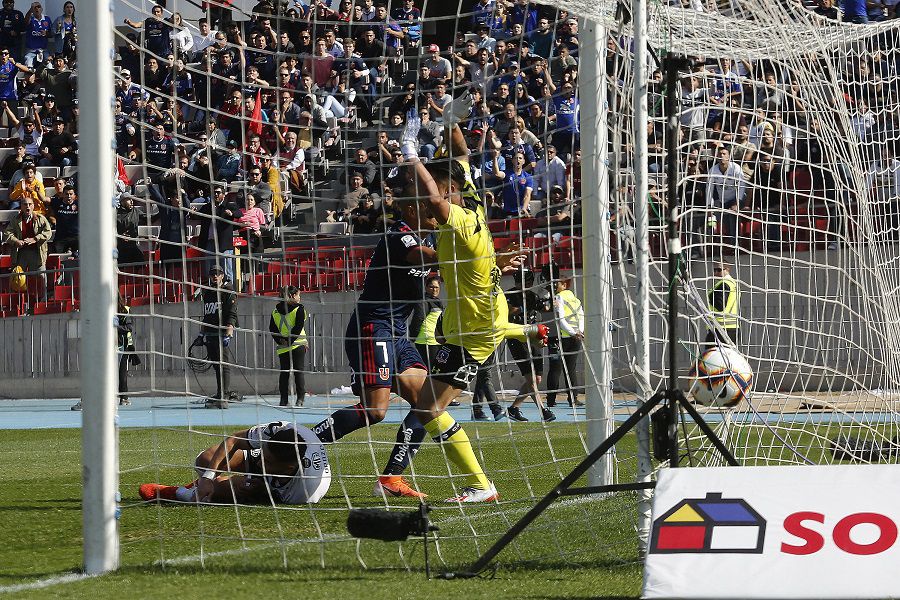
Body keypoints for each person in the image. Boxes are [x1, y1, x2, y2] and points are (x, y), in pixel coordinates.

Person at [399, 100, 548, 502]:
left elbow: (432, 202)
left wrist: (411, 153)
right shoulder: (471, 204)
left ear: (449, 192)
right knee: (426, 406)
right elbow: (462, 154)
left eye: (426, 191)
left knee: (429, 409)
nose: (419, 205)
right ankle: (475, 483)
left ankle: (482, 485)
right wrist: (448, 122)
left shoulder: (461, 219)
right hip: (473, 320)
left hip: (475, 328)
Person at [311, 185, 436, 500]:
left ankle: (391, 478)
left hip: (397, 333)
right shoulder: (400, 235)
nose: (437, 213)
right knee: (376, 410)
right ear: (413, 209)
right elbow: (420, 257)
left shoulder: (431, 239)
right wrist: (466, 252)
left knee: (429, 403)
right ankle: (304, 443)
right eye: (431, 207)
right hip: (373, 328)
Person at [138, 421, 331, 505]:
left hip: (275, 488)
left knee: (242, 489)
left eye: (268, 460)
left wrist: (260, 491)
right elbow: (234, 439)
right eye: (264, 453)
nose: (262, 460)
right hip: (281, 464)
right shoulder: (278, 430)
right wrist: (207, 477)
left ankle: (178, 492)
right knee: (204, 461)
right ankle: (202, 485)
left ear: (289, 467)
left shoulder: (303, 493)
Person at [504, 268, 555, 422]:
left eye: (528, 280)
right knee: (531, 378)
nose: (526, 283)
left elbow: (547, 309)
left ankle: (513, 408)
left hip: (533, 336)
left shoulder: (533, 295)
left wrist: (550, 296)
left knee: (537, 379)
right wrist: (523, 307)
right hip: (517, 338)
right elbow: (509, 313)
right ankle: (543, 410)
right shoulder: (509, 295)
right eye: (523, 280)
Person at [201, 265, 239, 408]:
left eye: (217, 274)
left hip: (221, 332)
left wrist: (229, 331)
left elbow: (232, 313)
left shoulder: (228, 292)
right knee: (217, 365)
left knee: (224, 365)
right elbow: (207, 313)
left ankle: (224, 395)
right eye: (212, 274)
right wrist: (202, 332)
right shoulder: (208, 292)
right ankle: (220, 392)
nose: (215, 276)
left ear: (222, 275)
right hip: (210, 332)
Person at [545, 273, 584, 408]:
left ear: (564, 284)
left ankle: (550, 400)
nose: (555, 286)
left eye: (557, 283)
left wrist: (572, 333)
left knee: (555, 369)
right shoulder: (576, 299)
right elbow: (581, 316)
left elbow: (560, 319)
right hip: (576, 337)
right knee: (571, 369)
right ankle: (573, 399)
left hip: (561, 338)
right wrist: (579, 332)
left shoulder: (559, 297)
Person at [2, 196, 50, 297]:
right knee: (17, 278)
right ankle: (18, 301)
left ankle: (42, 300)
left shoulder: (41, 219)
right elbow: (7, 233)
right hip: (21, 254)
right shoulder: (15, 220)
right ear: (21, 207)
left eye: (30, 204)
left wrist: (35, 239)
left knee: (41, 277)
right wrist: (16, 241)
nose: (27, 207)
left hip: (37, 253)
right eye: (25, 204)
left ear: (33, 206)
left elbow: (48, 232)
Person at [270, 286, 308, 407]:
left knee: (284, 373)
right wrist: (290, 340)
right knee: (298, 372)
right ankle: (300, 398)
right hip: (297, 344)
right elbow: (298, 327)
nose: (299, 298)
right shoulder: (299, 309)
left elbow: (272, 328)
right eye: (298, 295)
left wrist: (281, 341)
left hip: (283, 346)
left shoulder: (275, 311)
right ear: (292, 296)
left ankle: (283, 399)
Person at [412, 275, 442, 370]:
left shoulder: (437, 302)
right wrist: (414, 337)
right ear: (426, 287)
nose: (434, 289)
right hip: (426, 341)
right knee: (431, 369)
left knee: (435, 369)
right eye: (431, 287)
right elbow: (418, 319)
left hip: (436, 341)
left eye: (436, 287)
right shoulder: (424, 300)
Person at [706, 262, 739, 347]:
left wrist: (710, 296)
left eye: (719, 270)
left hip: (720, 328)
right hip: (732, 327)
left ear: (727, 269)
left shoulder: (724, 284)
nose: (716, 273)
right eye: (714, 270)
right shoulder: (733, 283)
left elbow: (720, 305)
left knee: (712, 357)